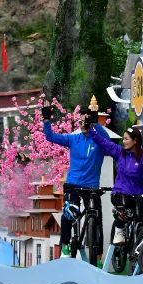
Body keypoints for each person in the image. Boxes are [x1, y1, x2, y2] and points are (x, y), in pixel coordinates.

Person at [85, 124, 143, 269]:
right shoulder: (120, 152)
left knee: (140, 221)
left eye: (126, 139)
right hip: (120, 194)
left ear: (135, 141)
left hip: (136, 195)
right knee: (123, 213)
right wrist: (91, 131)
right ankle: (119, 230)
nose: (124, 141)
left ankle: (138, 251)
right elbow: (104, 142)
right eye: (123, 139)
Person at [42, 102, 106, 258]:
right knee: (69, 213)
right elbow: (50, 136)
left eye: (86, 121)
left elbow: (107, 139)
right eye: (80, 121)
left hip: (91, 186)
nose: (83, 124)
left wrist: (95, 123)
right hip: (73, 184)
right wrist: (46, 119)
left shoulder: (98, 140)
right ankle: (65, 245)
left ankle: (98, 256)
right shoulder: (73, 139)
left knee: (97, 218)